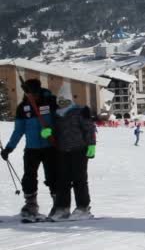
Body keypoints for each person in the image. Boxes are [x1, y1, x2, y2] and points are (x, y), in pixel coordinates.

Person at [0, 79, 58, 220]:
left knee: (53, 176)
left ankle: (58, 204)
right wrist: (9, 148)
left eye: (34, 93)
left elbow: (61, 122)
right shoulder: (22, 107)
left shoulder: (50, 102)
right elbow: (18, 131)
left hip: (50, 147)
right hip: (31, 148)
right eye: (29, 93)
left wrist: (51, 131)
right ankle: (31, 205)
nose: (32, 96)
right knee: (29, 177)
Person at [46, 84, 96, 221]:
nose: (62, 104)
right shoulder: (56, 115)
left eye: (65, 101)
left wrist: (92, 146)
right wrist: (49, 132)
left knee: (79, 180)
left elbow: (89, 129)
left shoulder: (80, 111)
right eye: (60, 101)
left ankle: (83, 207)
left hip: (79, 150)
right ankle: (63, 208)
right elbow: (55, 132)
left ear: (70, 100)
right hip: (62, 151)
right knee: (63, 181)